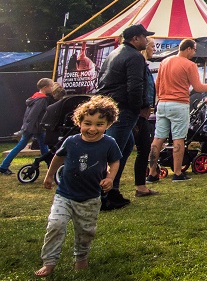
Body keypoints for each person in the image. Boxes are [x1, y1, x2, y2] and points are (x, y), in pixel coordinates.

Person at [35, 96, 122, 277]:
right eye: (88, 123)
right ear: (79, 122)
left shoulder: (109, 143)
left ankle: (81, 258)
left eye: (99, 124)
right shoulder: (72, 141)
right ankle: (49, 261)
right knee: (55, 224)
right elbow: (58, 157)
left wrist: (110, 177)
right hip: (65, 195)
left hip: (90, 197)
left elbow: (115, 161)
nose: (92, 128)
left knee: (85, 232)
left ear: (108, 124)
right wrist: (50, 175)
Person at [148, 39, 207, 183]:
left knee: (158, 138)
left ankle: (151, 172)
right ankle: (178, 173)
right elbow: (198, 88)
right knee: (179, 138)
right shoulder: (189, 65)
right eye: (194, 50)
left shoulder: (165, 62)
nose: (194, 53)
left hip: (162, 103)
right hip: (179, 103)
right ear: (188, 49)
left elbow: (157, 84)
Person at [95, 23, 156, 210]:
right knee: (114, 152)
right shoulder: (134, 57)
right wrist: (141, 109)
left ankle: (112, 190)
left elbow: (101, 80)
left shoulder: (113, 54)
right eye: (144, 37)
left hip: (111, 106)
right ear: (135, 38)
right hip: (125, 108)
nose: (147, 41)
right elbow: (135, 86)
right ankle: (105, 195)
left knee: (126, 146)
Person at [1, 78, 55, 176]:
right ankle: (3, 167)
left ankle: (4, 166)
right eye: (51, 86)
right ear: (45, 87)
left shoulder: (35, 97)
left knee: (42, 148)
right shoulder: (42, 100)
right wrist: (26, 129)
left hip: (33, 127)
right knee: (37, 147)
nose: (52, 88)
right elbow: (33, 115)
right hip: (35, 128)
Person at [133, 43, 157, 197]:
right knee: (122, 150)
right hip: (136, 112)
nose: (154, 49)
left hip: (143, 112)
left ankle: (141, 186)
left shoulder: (144, 65)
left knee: (144, 148)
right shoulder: (137, 64)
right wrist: (142, 106)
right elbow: (136, 87)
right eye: (152, 46)